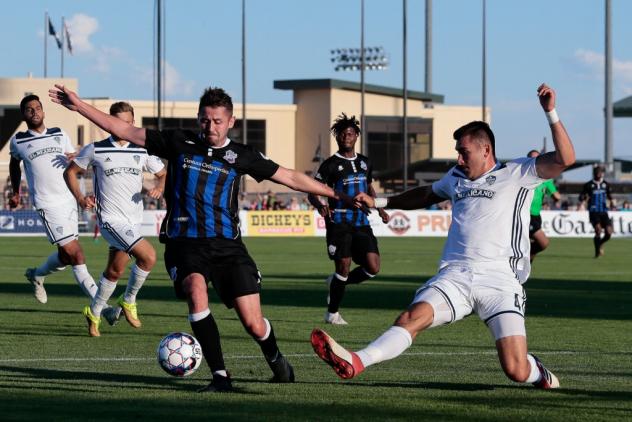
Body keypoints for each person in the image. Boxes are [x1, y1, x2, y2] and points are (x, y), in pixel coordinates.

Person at [49, 84, 354, 392]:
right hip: (185, 243)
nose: (210, 127)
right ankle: (220, 376)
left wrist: (337, 194)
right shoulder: (179, 141)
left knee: (253, 323)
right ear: (198, 118)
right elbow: (125, 130)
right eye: (205, 120)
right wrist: (80, 106)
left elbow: (289, 176)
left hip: (228, 246)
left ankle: (275, 359)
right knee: (196, 290)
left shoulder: (242, 155)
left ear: (231, 121)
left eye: (218, 121)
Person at [311, 84, 575, 390]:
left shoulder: (518, 172)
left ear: (485, 150)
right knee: (411, 317)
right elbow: (425, 193)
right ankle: (357, 361)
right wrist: (380, 202)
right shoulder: (456, 177)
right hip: (455, 276)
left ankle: (538, 373)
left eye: (464, 152)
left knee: (515, 369)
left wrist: (550, 112)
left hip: (499, 280)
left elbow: (565, 158)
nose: (459, 159)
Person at [8, 95, 119, 324]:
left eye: (38, 108)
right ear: (24, 115)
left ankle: (37, 275)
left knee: (66, 256)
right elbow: (14, 164)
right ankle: (103, 307)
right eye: (29, 110)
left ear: (43, 111)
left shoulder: (60, 133)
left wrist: (76, 157)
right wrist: (16, 191)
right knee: (76, 254)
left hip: (69, 200)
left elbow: (75, 162)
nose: (35, 112)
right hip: (47, 204)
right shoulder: (18, 141)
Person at [64, 101, 167, 337]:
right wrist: (80, 198)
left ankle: (94, 311)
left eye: (127, 122)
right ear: (108, 122)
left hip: (133, 221)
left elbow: (162, 173)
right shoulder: (96, 149)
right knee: (149, 257)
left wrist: (159, 187)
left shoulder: (141, 150)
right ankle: (129, 300)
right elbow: (70, 171)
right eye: (118, 121)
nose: (123, 126)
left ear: (133, 123)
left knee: (114, 272)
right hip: (110, 220)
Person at [308, 113, 389, 325]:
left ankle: (335, 284)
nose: (346, 137)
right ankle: (332, 314)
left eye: (350, 134)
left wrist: (380, 208)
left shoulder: (364, 162)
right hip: (339, 222)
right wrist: (320, 206)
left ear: (356, 136)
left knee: (373, 267)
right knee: (343, 267)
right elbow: (311, 191)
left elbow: (369, 185)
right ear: (337, 137)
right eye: (342, 134)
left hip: (361, 221)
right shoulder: (330, 165)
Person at [526, 150, 561, 262]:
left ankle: (526, 263)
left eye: (537, 159)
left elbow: (557, 196)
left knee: (539, 244)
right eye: (532, 159)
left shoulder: (545, 179)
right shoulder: (522, 176)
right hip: (524, 215)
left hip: (536, 215)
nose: (534, 162)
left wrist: (554, 195)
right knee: (543, 242)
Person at [579, 166, 615, 258]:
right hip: (593, 211)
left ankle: (601, 243)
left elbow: (610, 196)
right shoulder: (588, 185)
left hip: (604, 211)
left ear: (602, 173)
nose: (599, 174)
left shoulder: (606, 184)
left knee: (609, 232)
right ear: (594, 173)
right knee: (598, 230)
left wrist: (612, 203)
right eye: (597, 172)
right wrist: (583, 198)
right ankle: (597, 253)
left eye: (600, 172)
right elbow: (581, 196)